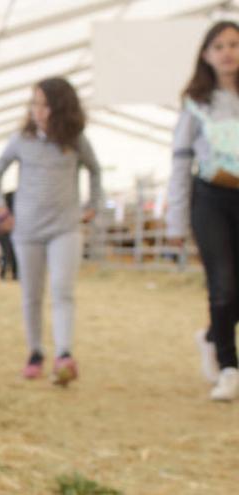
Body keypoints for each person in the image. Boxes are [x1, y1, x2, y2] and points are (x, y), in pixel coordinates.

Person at [0, 77, 102, 385]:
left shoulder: (76, 139)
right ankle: (35, 352)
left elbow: (95, 169)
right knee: (31, 293)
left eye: (44, 104)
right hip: (27, 229)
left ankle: (64, 354)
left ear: (60, 108)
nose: (37, 110)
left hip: (65, 227)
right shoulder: (21, 140)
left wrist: (93, 203)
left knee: (63, 290)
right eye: (35, 103)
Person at [165, 21, 239, 401]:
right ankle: (229, 367)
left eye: (234, 44)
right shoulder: (196, 103)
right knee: (223, 285)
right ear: (207, 55)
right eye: (219, 45)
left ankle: (211, 336)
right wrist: (175, 217)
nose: (227, 52)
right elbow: (180, 161)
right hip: (210, 197)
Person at [0, 191, 19, 281]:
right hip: (5, 236)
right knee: (7, 255)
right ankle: (6, 274)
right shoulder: (4, 212)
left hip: (11, 236)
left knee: (10, 255)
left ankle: (13, 274)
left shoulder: (10, 211)